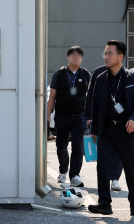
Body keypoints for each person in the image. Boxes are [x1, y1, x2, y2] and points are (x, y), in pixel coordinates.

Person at [88, 40, 134, 216]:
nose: (106, 56)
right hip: (106, 130)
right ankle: (104, 203)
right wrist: (95, 130)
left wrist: (133, 119)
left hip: (125, 130)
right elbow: (95, 105)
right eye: (105, 53)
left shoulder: (132, 77)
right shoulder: (100, 78)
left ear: (121, 56)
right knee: (102, 168)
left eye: (109, 53)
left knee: (131, 167)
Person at [47, 46, 91, 188]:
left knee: (78, 146)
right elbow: (52, 96)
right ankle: (63, 170)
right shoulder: (59, 75)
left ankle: (75, 175)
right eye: (72, 55)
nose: (75, 57)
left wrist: (90, 114)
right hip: (62, 115)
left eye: (78, 55)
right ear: (68, 57)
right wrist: (47, 115)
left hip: (80, 116)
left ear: (81, 58)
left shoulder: (85, 75)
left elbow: (90, 97)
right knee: (61, 145)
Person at [85, 65, 123, 192]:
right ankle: (104, 181)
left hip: (120, 120)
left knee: (118, 151)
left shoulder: (126, 74)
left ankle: (115, 179)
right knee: (103, 153)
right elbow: (91, 95)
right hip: (103, 120)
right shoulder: (99, 73)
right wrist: (89, 115)